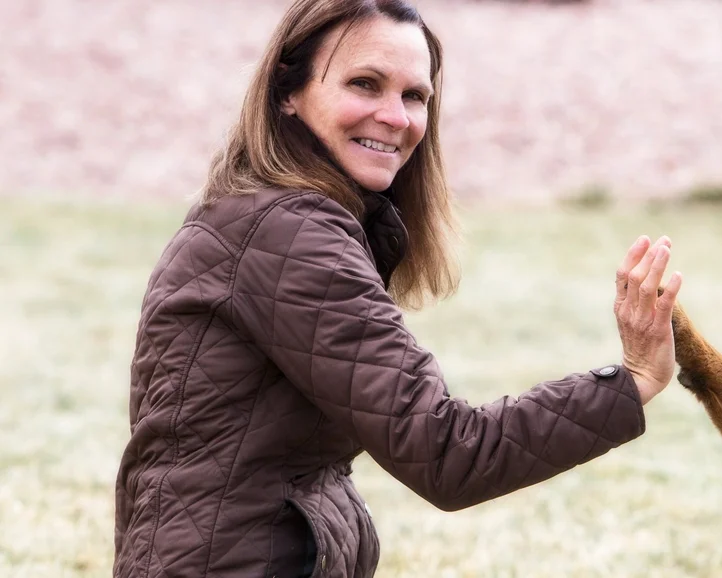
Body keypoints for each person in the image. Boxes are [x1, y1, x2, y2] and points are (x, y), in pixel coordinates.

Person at [111, 1, 683, 576]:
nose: (396, 116)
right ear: (288, 92)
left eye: (415, 96)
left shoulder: (268, 216)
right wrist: (631, 381)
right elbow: (449, 453)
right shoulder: (286, 233)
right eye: (365, 84)